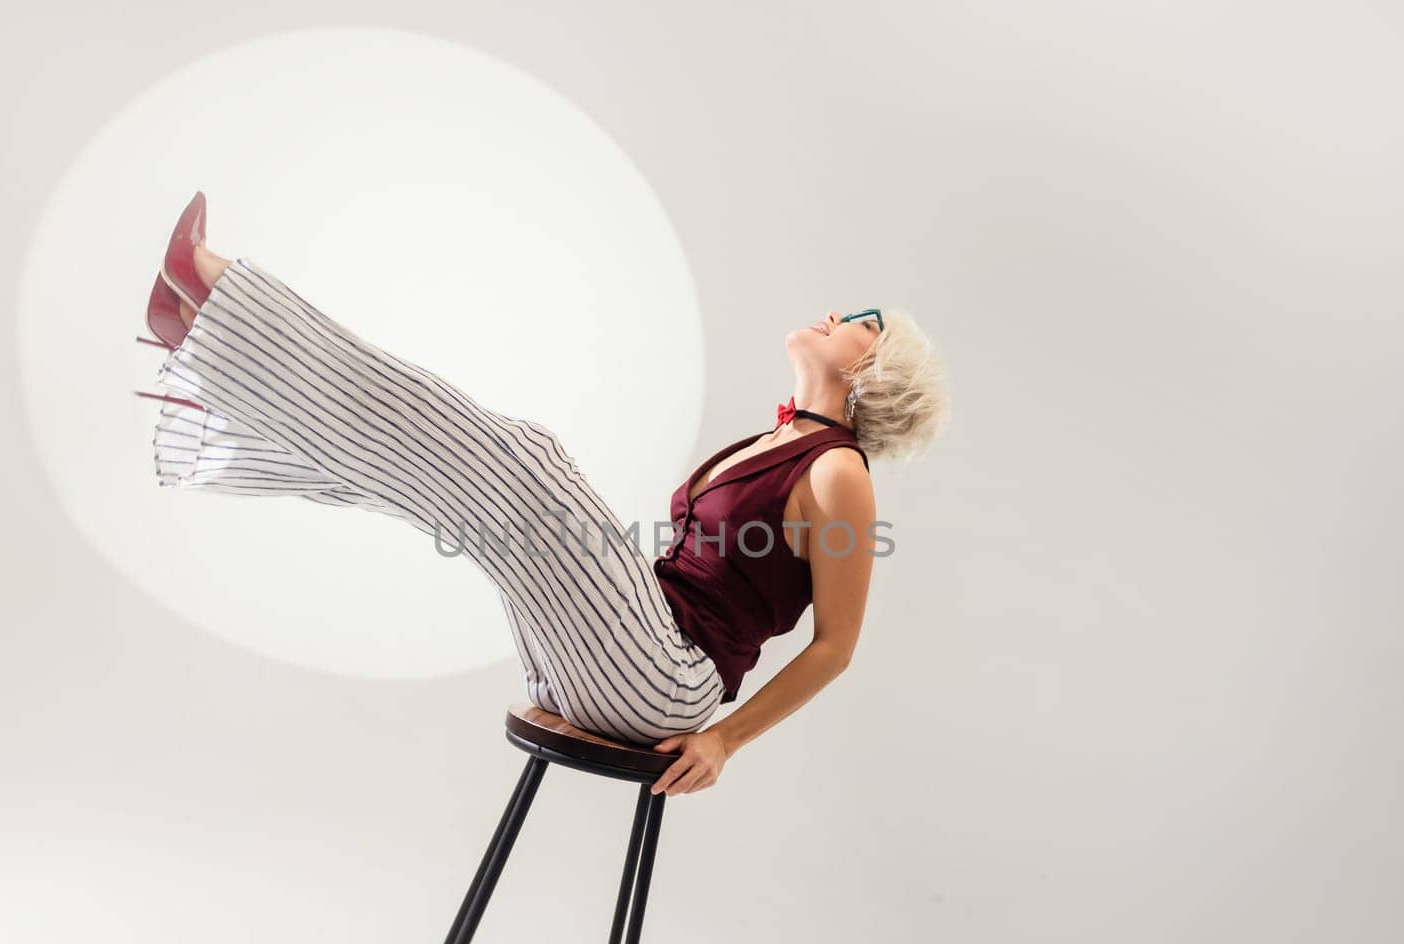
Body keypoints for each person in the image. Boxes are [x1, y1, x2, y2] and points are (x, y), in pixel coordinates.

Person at [132, 193, 949, 797]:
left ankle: (217, 292)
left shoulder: (840, 472)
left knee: (526, 457)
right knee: (445, 491)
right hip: (618, 653)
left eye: (864, 321)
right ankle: (210, 372)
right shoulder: (778, 441)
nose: (841, 313)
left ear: (873, 370)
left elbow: (837, 646)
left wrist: (725, 742)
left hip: (664, 677)